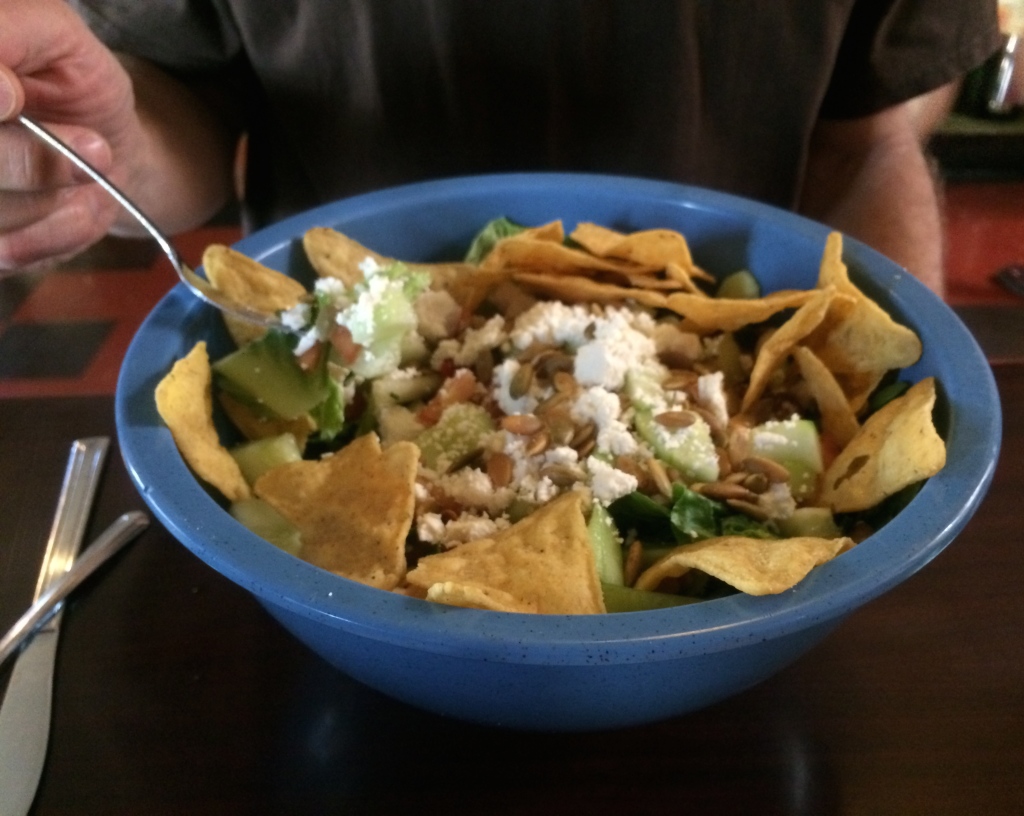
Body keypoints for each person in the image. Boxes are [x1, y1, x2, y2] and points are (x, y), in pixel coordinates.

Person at [0, 0, 1002, 296]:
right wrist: (103, 149)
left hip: (727, 393)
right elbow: (190, 117)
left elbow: (872, 131)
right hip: (324, 391)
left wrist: (889, 407)